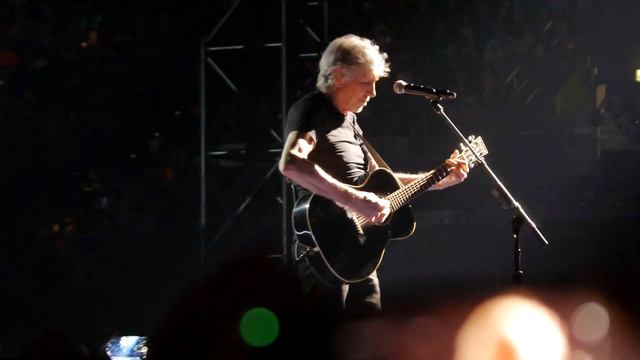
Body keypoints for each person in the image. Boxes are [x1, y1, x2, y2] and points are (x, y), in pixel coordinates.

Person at [278, 34, 469, 318]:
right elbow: (291, 163)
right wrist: (355, 199)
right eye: (366, 83)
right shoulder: (312, 110)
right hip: (323, 251)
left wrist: (439, 179)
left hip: (359, 254)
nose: (373, 93)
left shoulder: (351, 121)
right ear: (340, 75)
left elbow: (382, 182)